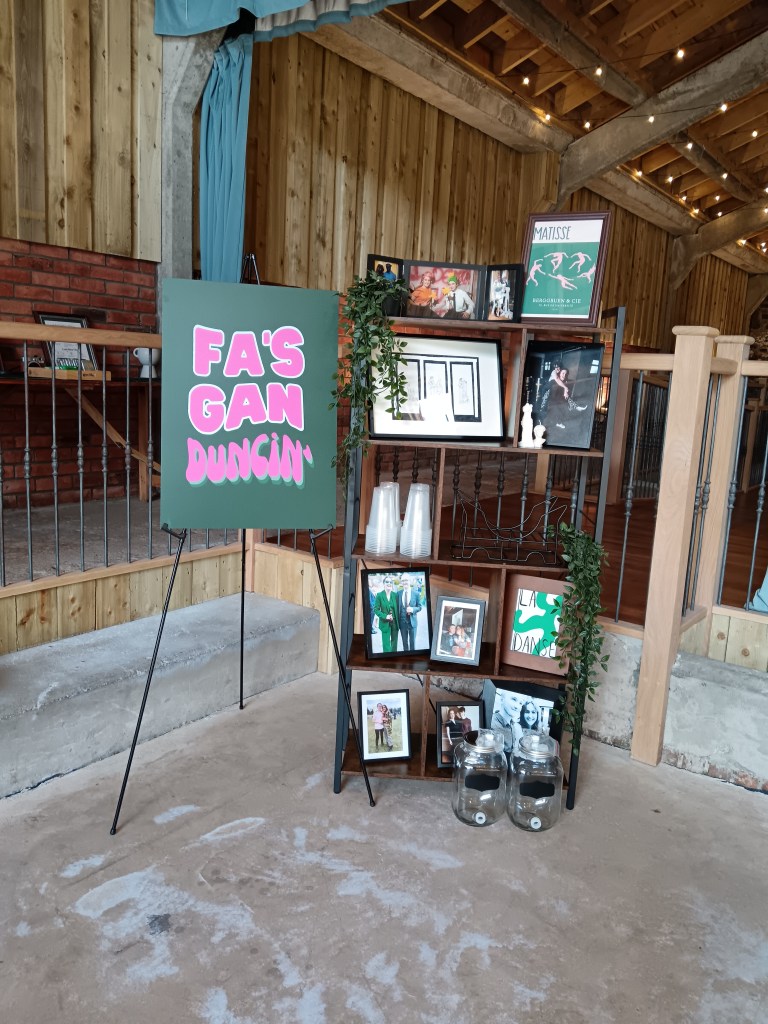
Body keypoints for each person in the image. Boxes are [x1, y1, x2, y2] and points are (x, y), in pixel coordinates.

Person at [491, 689, 524, 755]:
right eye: (514, 699)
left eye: (520, 703)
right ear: (502, 699)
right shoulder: (493, 723)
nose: (517, 706)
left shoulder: (513, 724)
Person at [397, 573, 423, 652]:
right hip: (402, 623)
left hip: (412, 623)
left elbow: (420, 607)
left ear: (410, 581)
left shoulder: (416, 594)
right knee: (405, 644)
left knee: (412, 643)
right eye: (403, 580)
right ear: (401, 582)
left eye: (407, 580)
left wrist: (412, 609)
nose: (405, 582)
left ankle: (412, 660)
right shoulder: (398, 593)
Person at [372, 576, 399, 653]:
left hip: (395, 623)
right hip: (385, 623)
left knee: (394, 644)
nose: (389, 583)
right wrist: (385, 616)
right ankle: (387, 659)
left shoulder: (395, 595)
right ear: (384, 583)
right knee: (386, 644)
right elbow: (375, 609)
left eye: (390, 582)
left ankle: (394, 658)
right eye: (387, 582)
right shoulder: (379, 595)